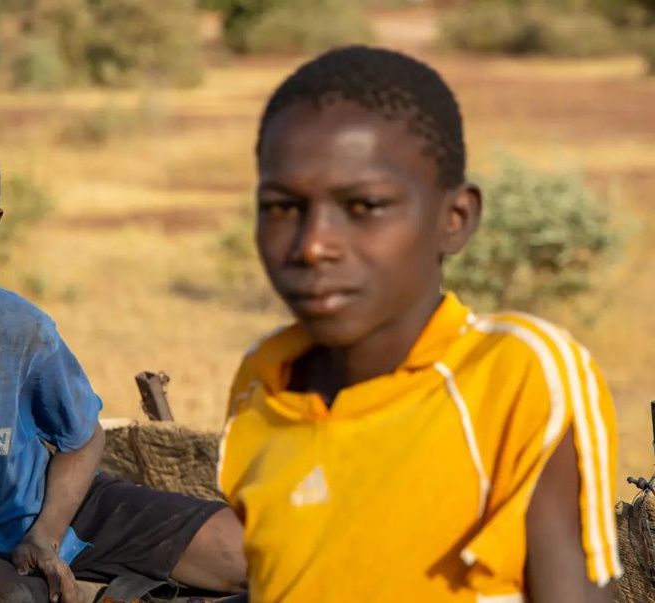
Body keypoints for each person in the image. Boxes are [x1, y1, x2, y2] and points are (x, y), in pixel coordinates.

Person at [217, 45, 621, 603]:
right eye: (283, 207)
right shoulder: (262, 383)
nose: (312, 246)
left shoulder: (516, 377)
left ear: (455, 220)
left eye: (364, 206)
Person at [0, 113, 247, 603]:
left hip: (55, 512)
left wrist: (46, 535)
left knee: (255, 552)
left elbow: (81, 439)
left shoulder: (19, 328)